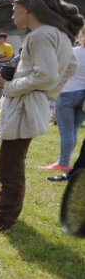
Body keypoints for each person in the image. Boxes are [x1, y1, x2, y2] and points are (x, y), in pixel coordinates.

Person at [0, 0, 82, 232]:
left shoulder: (41, 35)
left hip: (24, 106)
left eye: (15, 7)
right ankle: (1, 206)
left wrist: (9, 86)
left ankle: (1, 218)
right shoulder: (59, 35)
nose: (12, 12)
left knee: (9, 166)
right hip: (32, 103)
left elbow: (45, 75)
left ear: (30, 9)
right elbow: (69, 67)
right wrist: (50, 92)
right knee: (13, 161)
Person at [45, 26, 85, 174]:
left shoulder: (72, 53)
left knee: (66, 131)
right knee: (73, 130)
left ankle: (63, 162)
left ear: (81, 36)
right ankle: (64, 160)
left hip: (67, 94)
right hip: (83, 96)